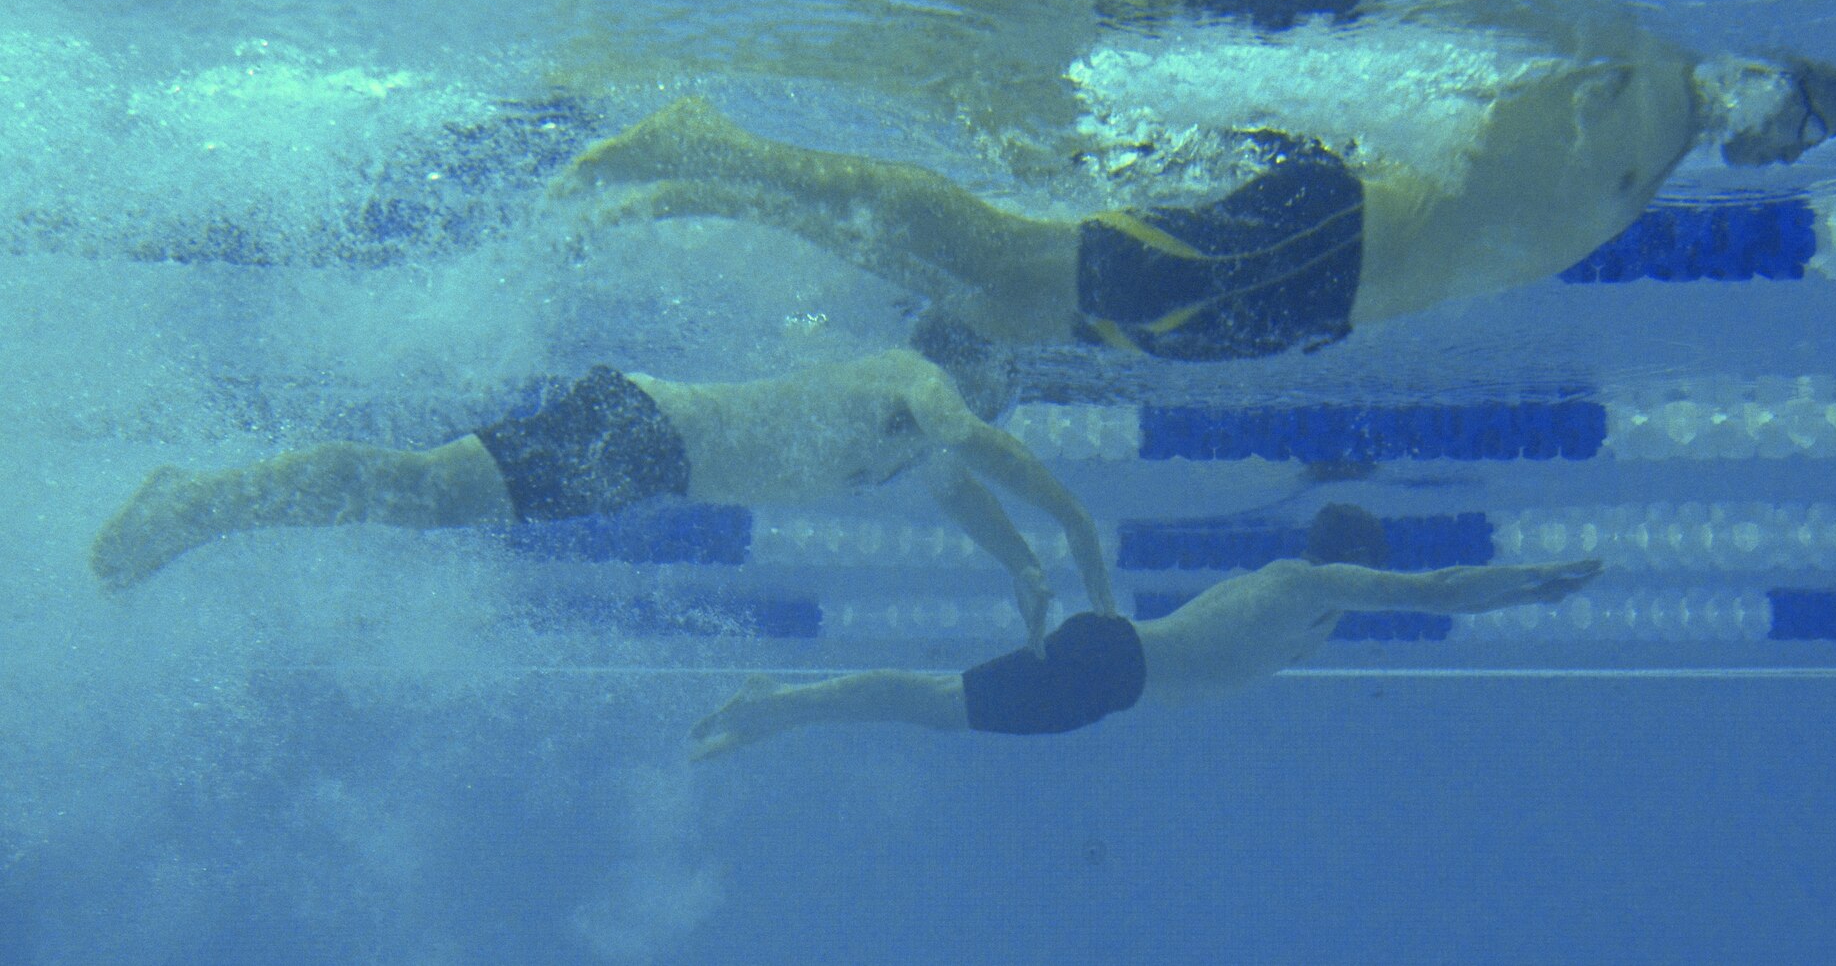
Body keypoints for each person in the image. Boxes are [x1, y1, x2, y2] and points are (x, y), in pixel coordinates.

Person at [557, 0, 1836, 360]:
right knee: (1014, 281)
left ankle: (717, 174)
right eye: (1799, 104)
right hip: (1331, 237)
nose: (1785, 140)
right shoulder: (1640, 69)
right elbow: (1474, 26)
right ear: (1767, 65)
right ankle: (712, 153)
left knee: (1017, 273)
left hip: (1319, 290)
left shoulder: (1660, 141)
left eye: (1805, 136)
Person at [90, 348, 1118, 653]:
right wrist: (1072, 530)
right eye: (1010, 391)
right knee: (419, 490)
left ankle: (207, 504)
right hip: (640, 432)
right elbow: (969, 441)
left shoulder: (905, 447)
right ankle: (198, 500)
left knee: (423, 500)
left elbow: (961, 486)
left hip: (640, 456)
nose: (1005, 408)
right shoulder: (914, 375)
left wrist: (1022, 566)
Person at [688, 504, 1604, 759]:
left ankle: (783, 706)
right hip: (1112, 667)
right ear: (1355, 562)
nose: (1379, 589)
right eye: (1374, 573)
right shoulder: (1305, 582)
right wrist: (1531, 584)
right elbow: (1437, 591)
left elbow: (1432, 592)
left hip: (1111, 673)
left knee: (939, 709)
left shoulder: (1308, 619)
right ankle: (779, 705)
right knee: (936, 707)